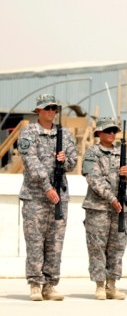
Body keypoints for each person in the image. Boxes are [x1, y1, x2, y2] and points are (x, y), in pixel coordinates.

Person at [17, 94, 78, 301]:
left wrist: (65, 159)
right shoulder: (28, 133)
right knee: (35, 241)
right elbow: (31, 162)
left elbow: (73, 161)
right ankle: (35, 283)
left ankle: (50, 285)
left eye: (54, 108)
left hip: (59, 196)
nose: (51, 111)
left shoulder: (65, 134)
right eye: (47, 108)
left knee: (55, 242)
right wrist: (46, 187)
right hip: (35, 196)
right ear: (38, 111)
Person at [81, 117, 127, 300]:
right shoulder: (92, 153)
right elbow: (94, 179)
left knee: (117, 246)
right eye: (108, 131)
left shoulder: (124, 153)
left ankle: (111, 284)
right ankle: (99, 285)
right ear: (99, 133)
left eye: (114, 131)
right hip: (98, 208)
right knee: (97, 246)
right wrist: (111, 198)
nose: (112, 134)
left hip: (119, 208)